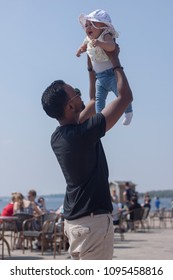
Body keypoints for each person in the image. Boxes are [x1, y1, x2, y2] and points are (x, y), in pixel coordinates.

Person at [41, 45, 133, 259]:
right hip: (92, 224)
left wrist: (92, 69)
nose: (82, 97)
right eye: (77, 95)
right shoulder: (83, 133)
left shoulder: (59, 137)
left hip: (75, 223)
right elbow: (125, 97)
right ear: (70, 107)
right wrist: (114, 59)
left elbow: (92, 101)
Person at [76, 9, 133, 125]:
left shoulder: (105, 35)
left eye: (92, 24)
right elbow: (84, 46)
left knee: (120, 94)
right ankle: (99, 120)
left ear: (104, 26)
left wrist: (100, 43)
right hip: (99, 78)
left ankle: (128, 112)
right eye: (86, 26)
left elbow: (112, 47)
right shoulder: (88, 39)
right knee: (99, 100)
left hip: (111, 74)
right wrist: (80, 50)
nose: (88, 28)